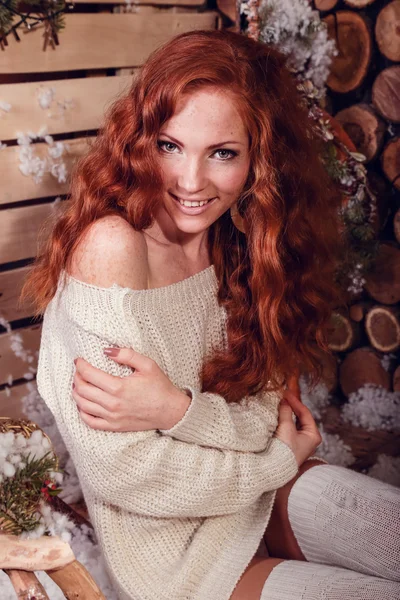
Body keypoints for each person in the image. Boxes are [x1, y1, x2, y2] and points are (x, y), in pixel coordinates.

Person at [21, 29, 399, 600]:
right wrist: (272, 462)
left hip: (267, 493)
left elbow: (273, 415)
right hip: (181, 557)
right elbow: (128, 474)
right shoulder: (111, 247)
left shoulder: (245, 241)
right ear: (140, 140)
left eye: (222, 153)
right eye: (170, 146)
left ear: (257, 160)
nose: (191, 183)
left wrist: (176, 410)